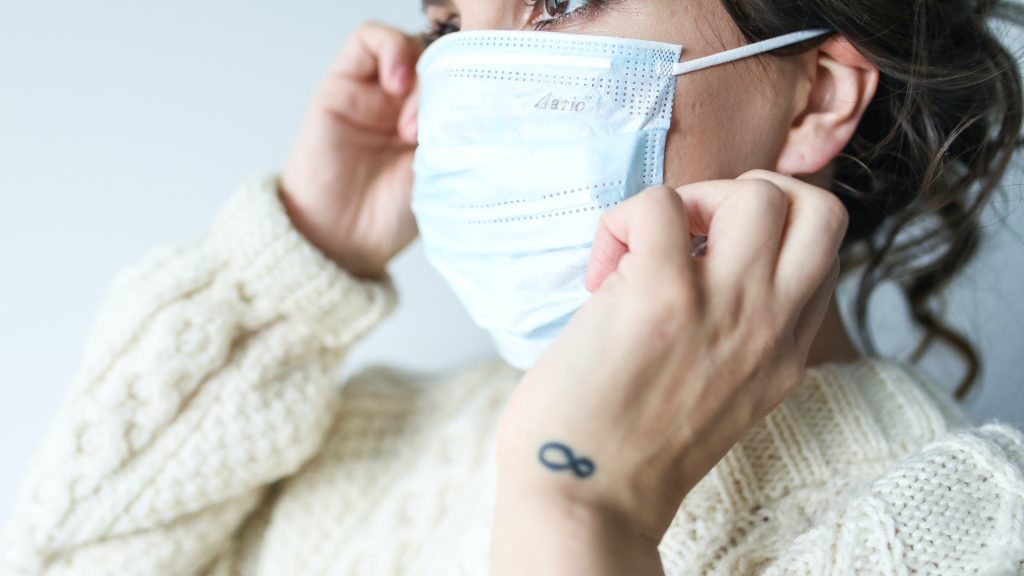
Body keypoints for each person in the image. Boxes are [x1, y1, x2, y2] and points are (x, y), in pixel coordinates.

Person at [3, 0, 1023, 574]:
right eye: (452, 27)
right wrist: (295, 269)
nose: (471, 81)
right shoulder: (387, 438)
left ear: (815, 96)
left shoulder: (969, 537)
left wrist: (582, 510)